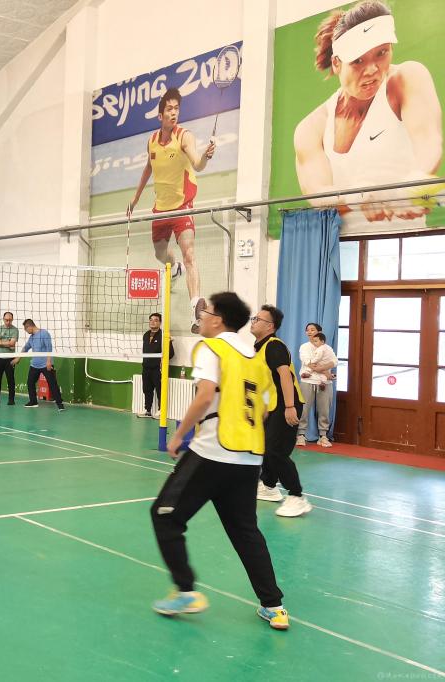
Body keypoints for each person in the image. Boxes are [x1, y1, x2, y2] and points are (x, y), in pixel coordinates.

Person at [152, 292, 289, 630]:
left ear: (218, 320)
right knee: (245, 532)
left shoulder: (211, 348)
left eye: (206, 311)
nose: (201, 316)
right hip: (248, 458)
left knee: (165, 515)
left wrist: (178, 435)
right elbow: (266, 408)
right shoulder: (255, 358)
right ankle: (274, 606)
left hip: (212, 451)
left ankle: (186, 591)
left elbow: (203, 396)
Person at [294, 0, 442, 233]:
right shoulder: (311, 128)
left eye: (381, 53)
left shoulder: (406, 78)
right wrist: (355, 197)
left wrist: (412, 185)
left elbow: (429, 141)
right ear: (336, 64)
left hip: (406, 243)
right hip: (342, 248)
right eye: (358, 61)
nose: (372, 69)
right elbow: (316, 192)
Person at [128, 87, 216, 333]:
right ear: (160, 115)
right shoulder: (152, 141)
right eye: (169, 109)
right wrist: (135, 199)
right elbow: (148, 168)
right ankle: (174, 267)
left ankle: (195, 308)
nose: (174, 112)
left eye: (177, 108)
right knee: (160, 254)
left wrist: (206, 157)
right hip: (160, 209)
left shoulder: (184, 136)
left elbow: (197, 164)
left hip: (182, 206)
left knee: (189, 254)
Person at [250, 305, 313, 518]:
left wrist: (289, 407)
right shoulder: (259, 347)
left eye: (258, 319)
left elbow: (285, 376)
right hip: (272, 407)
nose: (253, 322)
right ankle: (268, 486)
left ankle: (297, 496)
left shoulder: (274, 346)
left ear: (270, 326)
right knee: (266, 448)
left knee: (276, 451)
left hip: (286, 405)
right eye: (254, 318)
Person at [298, 326, 338, 448]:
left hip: (324, 382)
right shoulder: (304, 347)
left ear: (319, 332)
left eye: (312, 330)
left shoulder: (327, 348)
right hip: (308, 380)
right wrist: (326, 372)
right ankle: (301, 435)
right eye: (307, 330)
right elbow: (308, 363)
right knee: (304, 409)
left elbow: (334, 361)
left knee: (324, 409)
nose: (309, 332)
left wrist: (325, 373)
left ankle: (323, 436)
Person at [13, 319, 65, 411]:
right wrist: (18, 358)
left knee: (52, 384)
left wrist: (49, 361)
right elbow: (25, 348)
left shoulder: (44, 334)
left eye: (26, 329)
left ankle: (60, 404)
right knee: (30, 382)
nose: (26, 331)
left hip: (46, 364)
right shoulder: (32, 337)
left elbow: (49, 347)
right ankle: (33, 402)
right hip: (35, 365)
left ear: (29, 326)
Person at [140, 312, 174, 418]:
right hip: (146, 368)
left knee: (160, 390)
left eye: (155, 320)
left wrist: (161, 361)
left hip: (158, 369)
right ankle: (147, 410)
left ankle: (161, 410)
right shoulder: (146, 335)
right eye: (151, 320)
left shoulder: (164, 335)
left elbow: (171, 353)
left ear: (160, 323)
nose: (152, 322)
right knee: (147, 390)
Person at [0, 311, 19, 405]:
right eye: (6, 320)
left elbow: (12, 343)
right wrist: (7, 343)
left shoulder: (15, 330)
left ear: (12, 320)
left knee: (10, 380)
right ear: (3, 319)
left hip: (10, 359)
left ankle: (11, 400)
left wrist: (1, 342)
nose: (8, 322)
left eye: (10, 320)